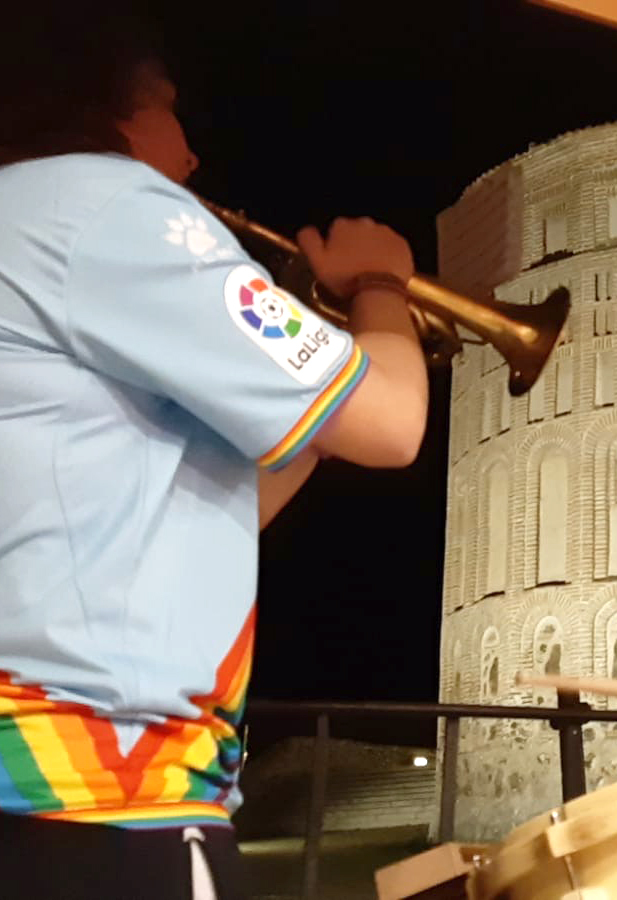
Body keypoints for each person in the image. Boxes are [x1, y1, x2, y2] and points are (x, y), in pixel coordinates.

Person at [0, 9, 429, 898]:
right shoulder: (101, 200)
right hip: (94, 795)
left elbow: (204, 509)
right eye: (168, 112)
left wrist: (312, 378)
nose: (189, 156)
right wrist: (383, 286)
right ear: (98, 106)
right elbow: (392, 423)